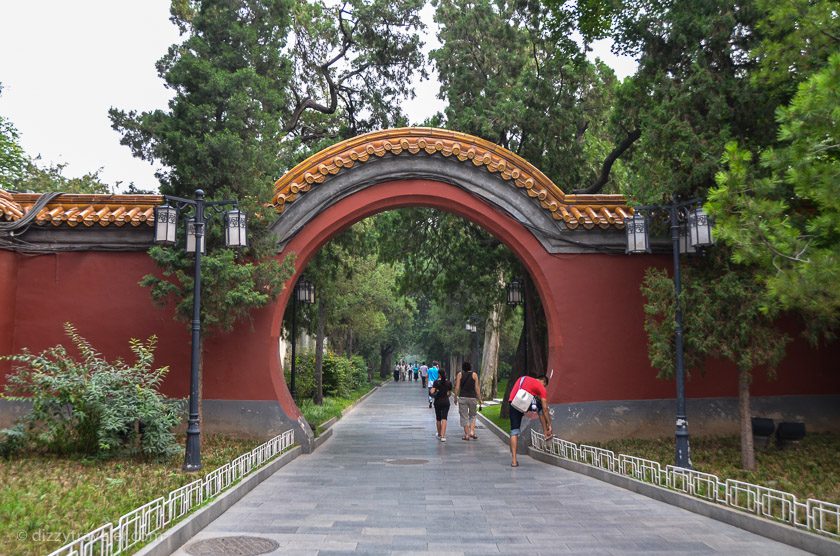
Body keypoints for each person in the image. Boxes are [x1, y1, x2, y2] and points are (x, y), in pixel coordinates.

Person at [508, 374, 552, 467]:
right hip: (524, 403)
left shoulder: (522, 378)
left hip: (513, 403)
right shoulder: (541, 387)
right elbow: (545, 409)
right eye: (545, 385)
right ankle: (546, 432)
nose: (543, 388)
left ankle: (514, 461)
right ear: (543, 381)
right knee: (540, 409)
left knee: (514, 431)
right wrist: (549, 424)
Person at [454, 361, 482, 441]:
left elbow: (457, 387)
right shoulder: (474, 375)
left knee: (464, 416)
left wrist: (455, 397)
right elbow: (477, 388)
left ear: (463, 368)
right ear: (470, 367)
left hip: (463, 397)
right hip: (473, 398)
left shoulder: (460, 374)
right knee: (473, 415)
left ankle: (466, 435)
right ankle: (472, 432)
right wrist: (480, 399)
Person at [430, 369, 452, 441]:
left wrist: (433, 391)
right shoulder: (448, 382)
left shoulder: (436, 382)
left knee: (438, 418)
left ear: (439, 374)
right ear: (445, 373)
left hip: (438, 402)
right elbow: (449, 393)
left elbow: (432, 391)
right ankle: (443, 436)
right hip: (446, 402)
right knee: (444, 418)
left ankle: (439, 434)